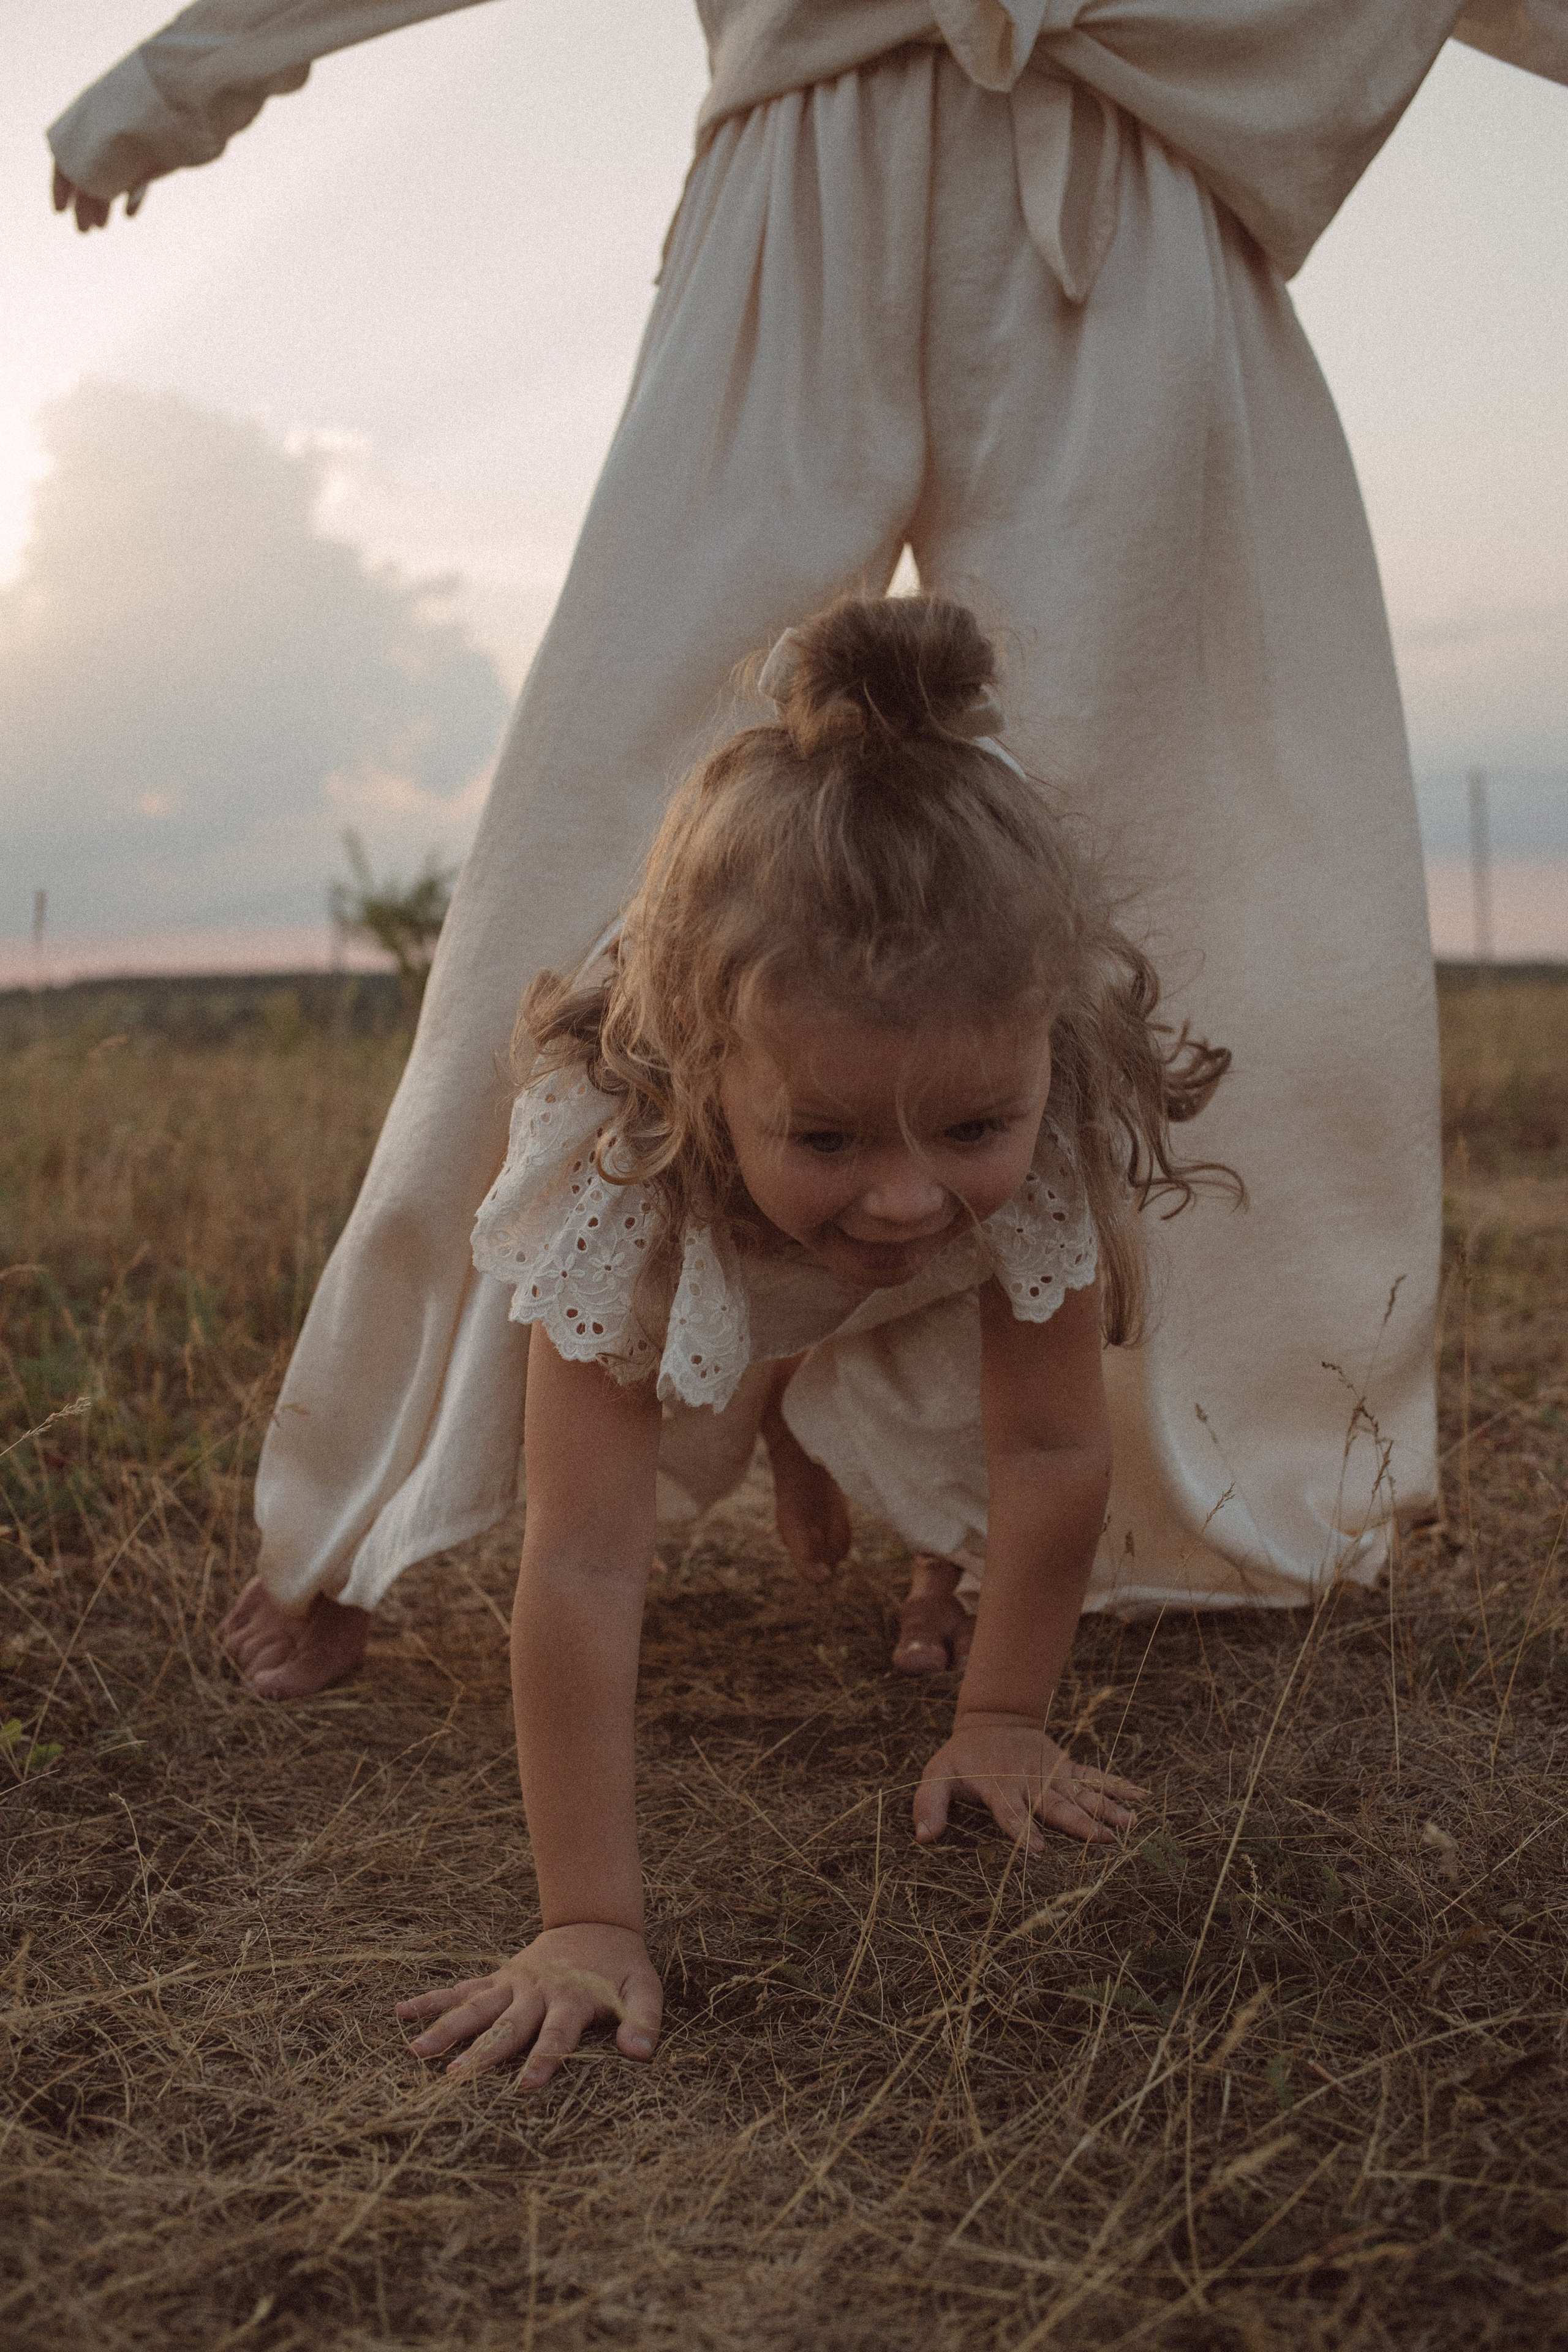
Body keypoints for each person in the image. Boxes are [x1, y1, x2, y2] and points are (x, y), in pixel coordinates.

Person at [48, 4, 1568, 1702]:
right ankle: (371, 1492)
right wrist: (186, 70)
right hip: (802, 170)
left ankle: (987, 1507)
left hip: (1142, 190)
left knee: (1164, 886)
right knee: (595, 825)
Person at [395, 591, 1226, 2083]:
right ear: (709, 1066)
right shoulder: (618, 1173)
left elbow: (1044, 1447)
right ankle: (772, 1418)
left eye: (969, 1121)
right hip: (709, 1231)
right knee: (620, 1419)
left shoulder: (1025, 1136)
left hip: (855, 1260)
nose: (908, 1193)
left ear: (1042, 1044)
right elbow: (581, 1559)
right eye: (834, 1131)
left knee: (941, 1409)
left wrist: (1002, 1719)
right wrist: (587, 1919)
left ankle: (888, 1511)